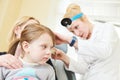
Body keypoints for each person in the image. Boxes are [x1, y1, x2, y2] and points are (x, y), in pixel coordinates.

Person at [53, 3, 120, 80]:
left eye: (76, 27)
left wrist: (72, 41)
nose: (77, 33)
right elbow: (83, 69)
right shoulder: (82, 41)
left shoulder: (107, 29)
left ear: (84, 18)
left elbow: (104, 51)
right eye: (72, 32)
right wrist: (63, 57)